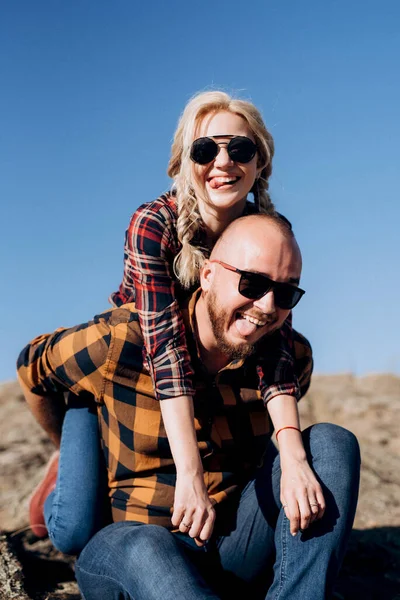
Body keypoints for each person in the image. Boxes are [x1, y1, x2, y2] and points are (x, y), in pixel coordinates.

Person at [26, 90, 313, 553]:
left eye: (240, 149)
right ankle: (71, 462)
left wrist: (294, 454)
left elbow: (275, 344)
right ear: (184, 162)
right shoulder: (153, 224)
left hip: (204, 373)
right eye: (205, 149)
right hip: (129, 381)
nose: (223, 161)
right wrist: (191, 474)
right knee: (75, 530)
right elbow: (165, 349)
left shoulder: (269, 230)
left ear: (261, 163)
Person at [17, 214, 361, 599]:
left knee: (332, 443)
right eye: (252, 283)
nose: (267, 306)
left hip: (233, 547)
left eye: (285, 294)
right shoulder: (121, 341)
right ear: (209, 274)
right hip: (132, 545)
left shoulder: (289, 358)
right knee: (149, 547)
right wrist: (65, 451)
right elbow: (31, 367)